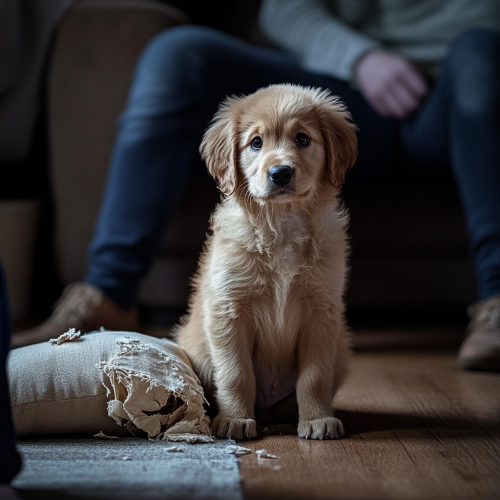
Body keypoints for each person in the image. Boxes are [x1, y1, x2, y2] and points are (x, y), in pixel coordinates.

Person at [13, 0, 500, 371]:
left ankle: (497, 301)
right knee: (178, 53)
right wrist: (362, 57)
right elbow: (284, 9)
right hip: (337, 93)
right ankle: (108, 292)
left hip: (463, 96)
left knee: (481, 51)